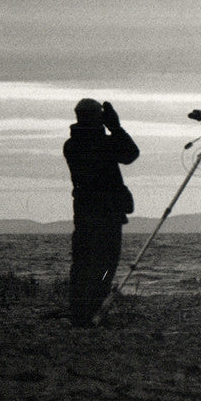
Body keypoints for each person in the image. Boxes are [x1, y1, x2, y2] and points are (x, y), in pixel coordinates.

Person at [63, 99, 139, 327]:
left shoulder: (71, 144)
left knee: (83, 263)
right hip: (106, 214)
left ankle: (79, 313)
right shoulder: (102, 143)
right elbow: (130, 154)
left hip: (85, 213)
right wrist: (115, 127)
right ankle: (95, 310)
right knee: (106, 265)